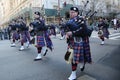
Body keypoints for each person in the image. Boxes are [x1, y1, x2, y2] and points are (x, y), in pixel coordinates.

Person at [65, 7, 92, 80]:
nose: (71, 13)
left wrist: (72, 33)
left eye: (73, 12)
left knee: (80, 56)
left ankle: (82, 64)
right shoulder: (70, 20)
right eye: (71, 12)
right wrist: (66, 34)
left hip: (80, 41)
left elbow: (83, 30)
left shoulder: (81, 19)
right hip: (72, 41)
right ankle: (73, 73)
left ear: (77, 13)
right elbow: (66, 29)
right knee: (72, 57)